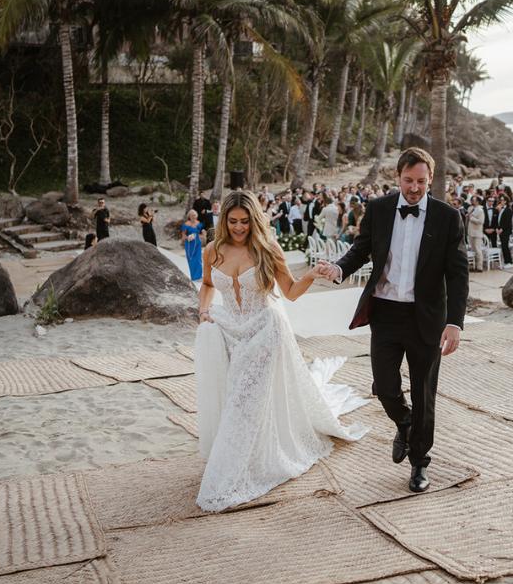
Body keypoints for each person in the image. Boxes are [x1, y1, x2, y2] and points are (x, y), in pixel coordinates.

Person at [194, 190, 367, 511]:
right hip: (230, 329)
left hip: (265, 330)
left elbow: (289, 292)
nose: (239, 227)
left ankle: (233, 471)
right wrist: (203, 310)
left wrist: (311, 276)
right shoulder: (212, 250)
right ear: (223, 221)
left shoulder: (267, 249)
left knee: (245, 398)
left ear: (254, 220)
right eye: (233, 221)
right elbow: (206, 285)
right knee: (235, 394)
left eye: (245, 221)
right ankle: (240, 453)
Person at [317, 146, 469, 495]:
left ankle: (419, 464)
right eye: (407, 180)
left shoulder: (448, 218)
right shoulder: (380, 209)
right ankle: (405, 421)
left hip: (426, 318)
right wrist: (339, 268)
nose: (414, 188)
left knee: (424, 392)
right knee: (384, 387)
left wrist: (454, 323)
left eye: (420, 182)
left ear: (430, 180)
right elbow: (361, 249)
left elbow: (458, 276)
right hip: (385, 313)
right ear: (397, 177)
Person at [181, 208, 204, 282]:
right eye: (192, 215)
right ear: (189, 216)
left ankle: (199, 276)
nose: (193, 217)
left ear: (196, 216)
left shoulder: (199, 223)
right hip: (189, 244)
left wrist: (202, 235)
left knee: (198, 259)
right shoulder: (186, 224)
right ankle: (194, 277)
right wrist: (188, 237)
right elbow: (183, 236)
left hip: (197, 243)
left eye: (194, 215)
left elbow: (201, 233)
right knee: (191, 259)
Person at [465, 194, 487, 268]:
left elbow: (481, 221)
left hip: (477, 232)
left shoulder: (480, 210)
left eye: (474, 200)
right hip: (470, 231)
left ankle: (479, 266)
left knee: (478, 250)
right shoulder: (470, 208)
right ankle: (473, 265)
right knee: (473, 249)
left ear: (478, 202)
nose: (472, 202)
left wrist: (471, 218)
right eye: (472, 200)